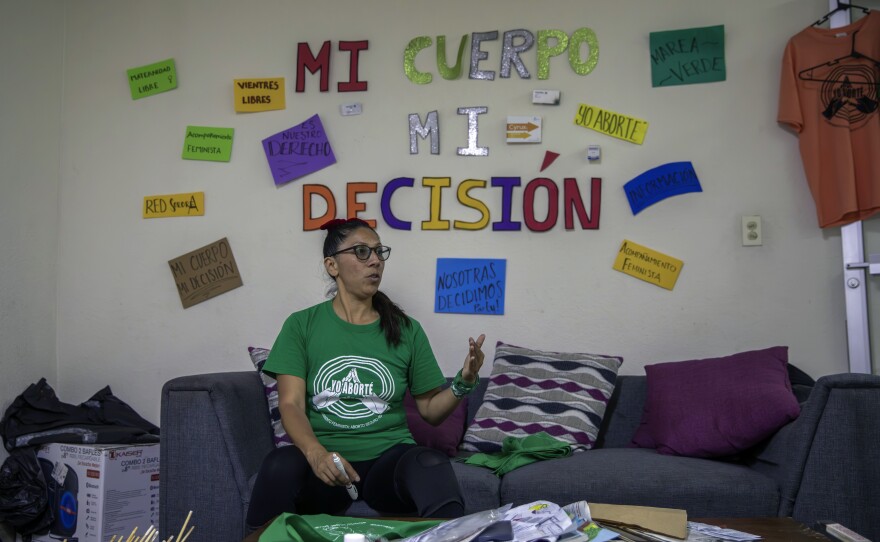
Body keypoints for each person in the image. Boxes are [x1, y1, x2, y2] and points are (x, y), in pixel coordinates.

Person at [246, 217, 485, 529]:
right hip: (327, 466)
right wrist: (317, 454)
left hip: (387, 464)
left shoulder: (407, 330)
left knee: (430, 462)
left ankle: (456, 537)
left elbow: (430, 411)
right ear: (332, 265)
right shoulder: (301, 326)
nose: (374, 261)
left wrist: (463, 383)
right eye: (361, 252)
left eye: (378, 252)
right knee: (279, 465)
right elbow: (291, 404)